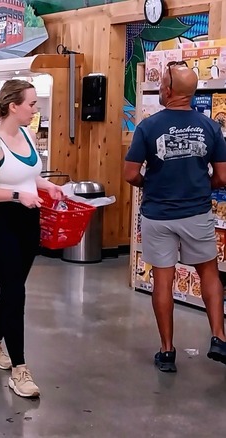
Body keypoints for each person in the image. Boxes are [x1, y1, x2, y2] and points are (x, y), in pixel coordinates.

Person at [124, 62, 226, 373]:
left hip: (158, 214)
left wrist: (150, 183)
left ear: (167, 91)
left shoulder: (148, 126)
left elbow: (130, 174)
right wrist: (197, 187)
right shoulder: (211, 127)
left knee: (163, 280)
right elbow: (222, 176)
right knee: (209, 272)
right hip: (197, 213)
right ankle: (219, 337)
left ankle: (167, 351)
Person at [0, 79, 64, 399]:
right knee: (15, 292)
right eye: (32, 104)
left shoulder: (27, 134)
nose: (35, 110)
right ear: (14, 106)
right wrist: (14, 195)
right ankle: (19, 370)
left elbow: (29, 173)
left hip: (28, 220)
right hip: (0, 222)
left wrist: (45, 185)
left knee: (12, 291)